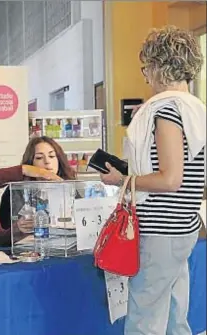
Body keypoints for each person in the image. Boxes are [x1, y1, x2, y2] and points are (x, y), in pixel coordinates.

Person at [100, 26, 206, 335]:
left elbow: (170, 178)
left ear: (160, 65)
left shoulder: (167, 110)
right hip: (183, 225)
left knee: (144, 321)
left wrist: (124, 179)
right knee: (175, 317)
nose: (146, 77)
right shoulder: (195, 110)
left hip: (160, 229)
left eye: (146, 67)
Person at [0, 136, 76, 230]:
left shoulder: (70, 188)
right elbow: (4, 231)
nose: (47, 162)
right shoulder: (16, 191)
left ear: (59, 160)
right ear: (30, 163)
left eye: (51, 156)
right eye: (39, 158)